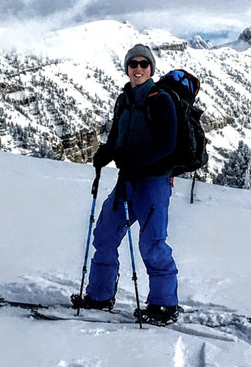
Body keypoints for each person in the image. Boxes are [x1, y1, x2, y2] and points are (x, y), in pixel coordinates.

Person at [73, 44, 181, 325]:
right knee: (106, 234)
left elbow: (169, 144)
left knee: (152, 243)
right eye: (133, 63)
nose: (138, 68)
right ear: (127, 68)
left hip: (154, 182)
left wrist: (136, 160)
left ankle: (164, 304)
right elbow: (119, 135)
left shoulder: (161, 100)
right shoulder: (124, 99)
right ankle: (99, 294)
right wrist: (107, 152)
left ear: (151, 68)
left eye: (144, 64)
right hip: (127, 180)